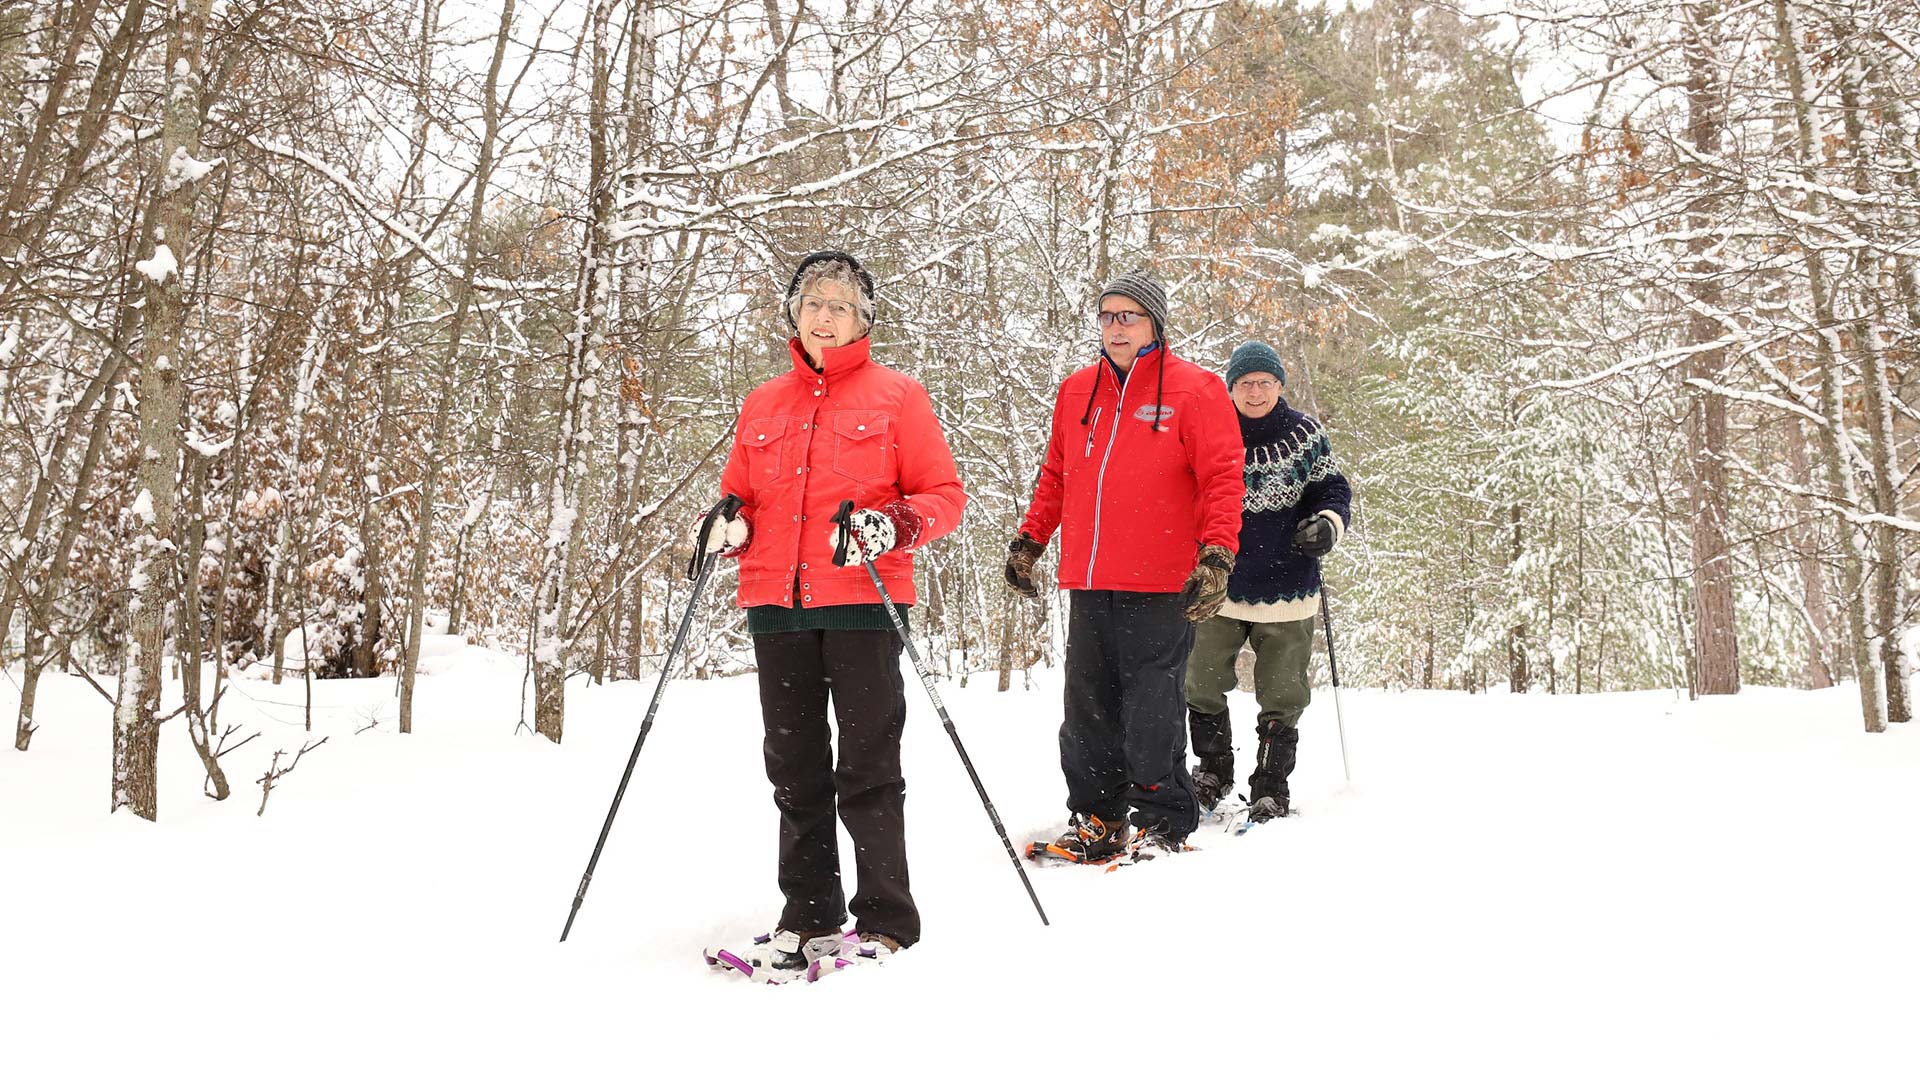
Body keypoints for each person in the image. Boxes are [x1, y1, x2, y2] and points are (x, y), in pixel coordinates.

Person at [699, 250, 966, 982]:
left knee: (869, 764)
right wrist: (728, 523)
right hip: (775, 605)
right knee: (793, 768)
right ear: (794, 312)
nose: (824, 315)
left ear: (863, 321)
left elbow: (944, 494)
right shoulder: (763, 402)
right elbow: (739, 495)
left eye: (840, 305)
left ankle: (884, 919)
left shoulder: (897, 397)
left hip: (862, 604)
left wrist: (894, 525)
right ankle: (809, 914)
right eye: (813, 301)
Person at [1006, 271, 1245, 863]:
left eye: (1128, 316)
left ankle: (1163, 819)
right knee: (1085, 709)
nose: (1115, 327)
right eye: (1107, 316)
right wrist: (1030, 540)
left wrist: (1217, 554)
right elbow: (1057, 478)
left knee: (1150, 707)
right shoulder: (1076, 391)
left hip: (1164, 580)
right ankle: (1098, 815)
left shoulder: (1196, 390)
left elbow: (1222, 479)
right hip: (1089, 579)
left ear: (1154, 324)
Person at [1184, 341, 1351, 825]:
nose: (1255, 392)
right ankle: (1214, 770)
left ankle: (1271, 785)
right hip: (1221, 583)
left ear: (1280, 385)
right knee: (1200, 682)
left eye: (1265, 382)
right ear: (1230, 387)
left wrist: (1327, 523)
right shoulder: (1211, 429)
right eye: (1245, 383)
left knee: (1283, 692)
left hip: (1288, 585)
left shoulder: (1305, 434)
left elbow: (1333, 489)